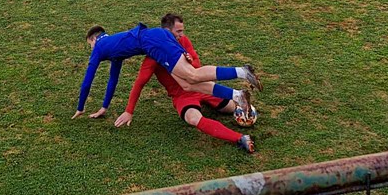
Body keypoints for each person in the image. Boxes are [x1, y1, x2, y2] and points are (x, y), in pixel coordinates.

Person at [113, 14, 255, 154]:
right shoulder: (152, 57)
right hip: (182, 96)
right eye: (178, 31)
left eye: (182, 31)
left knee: (231, 108)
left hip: (202, 87)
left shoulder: (183, 41)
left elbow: (197, 65)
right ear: (167, 32)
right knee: (193, 118)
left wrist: (188, 61)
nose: (182, 35)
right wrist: (129, 111)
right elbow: (139, 83)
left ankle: (241, 99)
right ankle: (240, 138)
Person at [73, 22, 261, 121]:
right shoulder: (113, 49)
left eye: (89, 45)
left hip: (153, 42)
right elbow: (113, 80)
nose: (91, 49)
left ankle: (243, 72)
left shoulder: (99, 47)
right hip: (155, 39)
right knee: (187, 84)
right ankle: (237, 95)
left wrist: (80, 108)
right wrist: (104, 108)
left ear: (94, 39)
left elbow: (87, 83)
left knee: (192, 75)